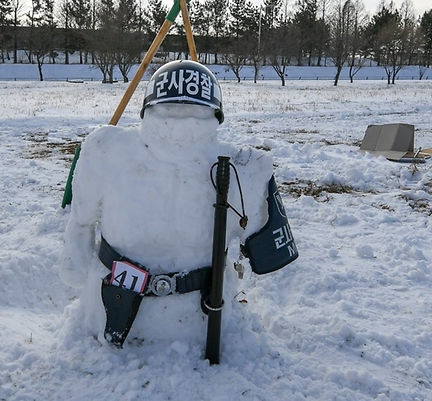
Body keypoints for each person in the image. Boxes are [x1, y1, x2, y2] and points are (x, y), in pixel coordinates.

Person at [58, 60, 295, 347]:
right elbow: (269, 254)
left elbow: (79, 234)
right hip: (197, 323)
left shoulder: (105, 150)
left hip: (113, 312)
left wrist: (76, 267)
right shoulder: (245, 166)